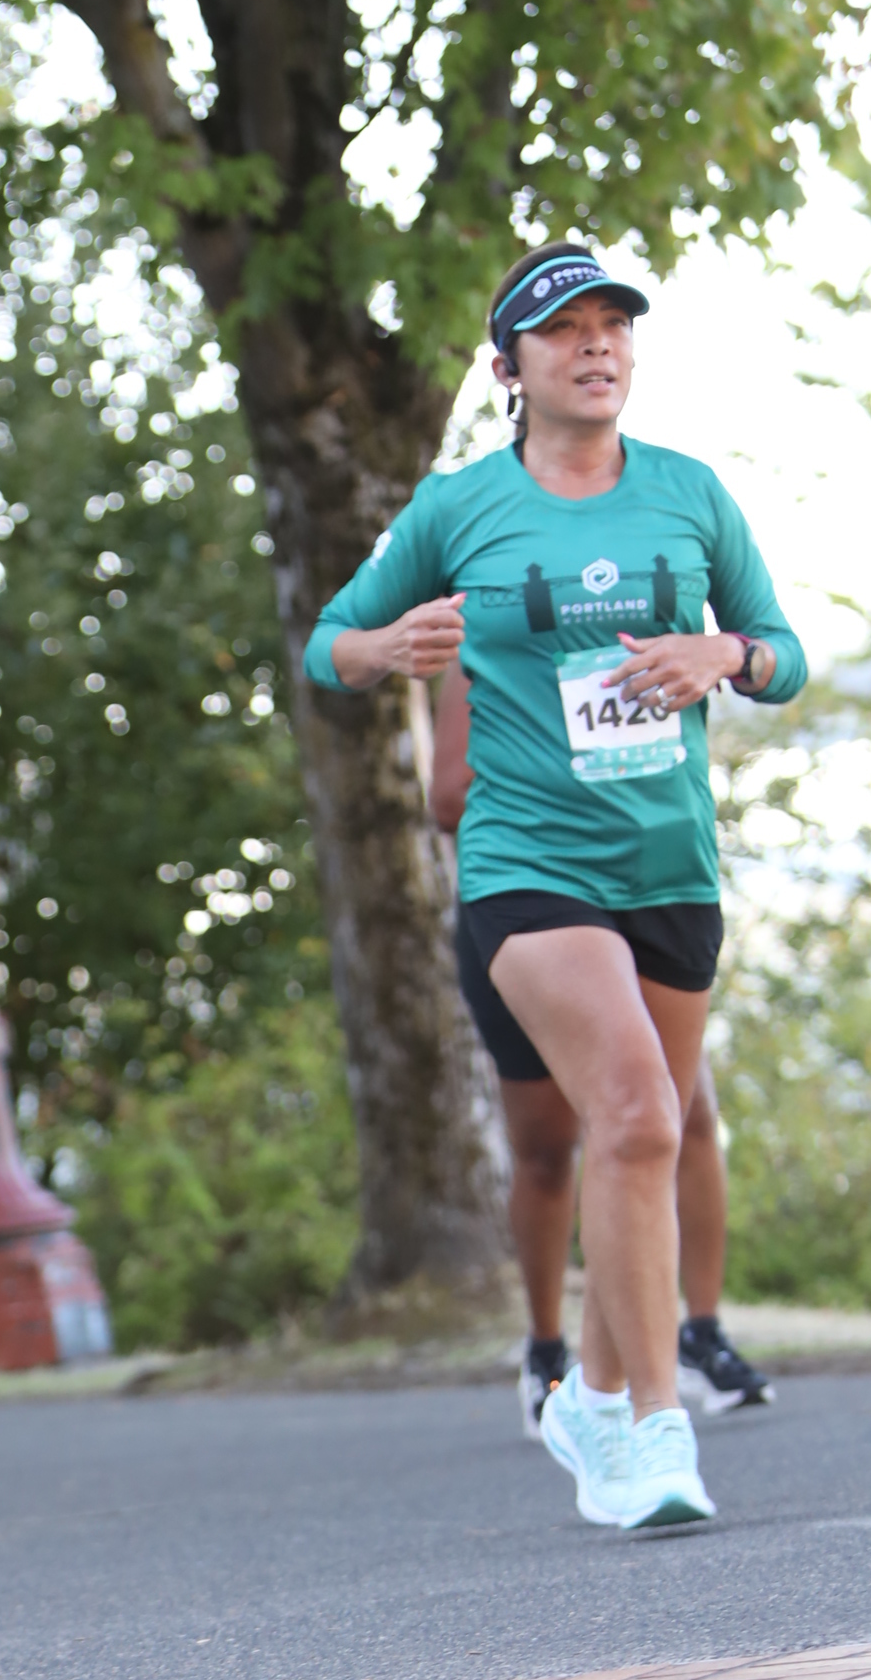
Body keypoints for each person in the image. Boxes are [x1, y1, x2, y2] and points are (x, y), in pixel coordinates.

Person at [307, 240, 805, 1530]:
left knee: (647, 1135)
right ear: (508, 368)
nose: (595, 346)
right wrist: (383, 645)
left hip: (669, 865)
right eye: (563, 330)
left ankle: (586, 1393)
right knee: (632, 1114)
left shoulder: (689, 494)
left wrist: (723, 655)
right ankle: (651, 1433)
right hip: (528, 863)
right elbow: (325, 646)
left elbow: (782, 653)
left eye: (611, 326)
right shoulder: (458, 507)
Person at [428, 667, 775, 1431]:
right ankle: (547, 1352)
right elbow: (447, 796)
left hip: (640, 898)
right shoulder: (488, 637)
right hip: (530, 911)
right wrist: (560, 769)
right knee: (547, 1149)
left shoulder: (631, 638)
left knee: (679, 1116)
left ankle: (700, 1333)